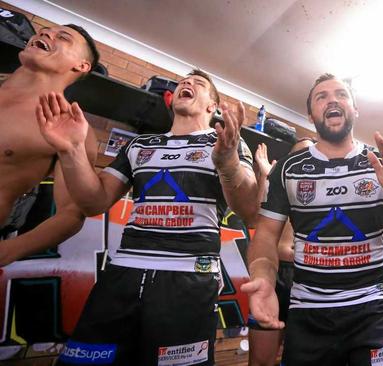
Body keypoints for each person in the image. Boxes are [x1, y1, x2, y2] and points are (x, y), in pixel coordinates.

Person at [36, 69, 258, 365]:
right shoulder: (139, 145)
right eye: (182, 82)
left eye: (198, 83)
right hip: (121, 274)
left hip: (188, 277)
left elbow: (249, 210)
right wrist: (71, 150)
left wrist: (228, 161)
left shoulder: (226, 143)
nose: (187, 83)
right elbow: (94, 202)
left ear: (212, 106)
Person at [242, 73, 383, 365]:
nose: (332, 99)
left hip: (374, 308)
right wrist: (262, 278)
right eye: (321, 96)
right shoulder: (286, 170)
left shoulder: (381, 164)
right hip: (308, 313)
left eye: (341, 94)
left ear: (355, 109)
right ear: (310, 116)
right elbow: (266, 238)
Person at [0, 24, 99, 265]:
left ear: (81, 65)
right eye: (43, 31)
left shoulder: (72, 127)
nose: (44, 34)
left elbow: (71, 213)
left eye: (62, 37)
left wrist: (10, 250)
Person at [247, 138, 316, 366]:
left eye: (309, 153)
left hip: (306, 279)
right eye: (297, 154)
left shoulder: (326, 187)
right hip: (275, 276)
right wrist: (265, 176)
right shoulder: (278, 183)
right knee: (261, 360)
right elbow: (258, 218)